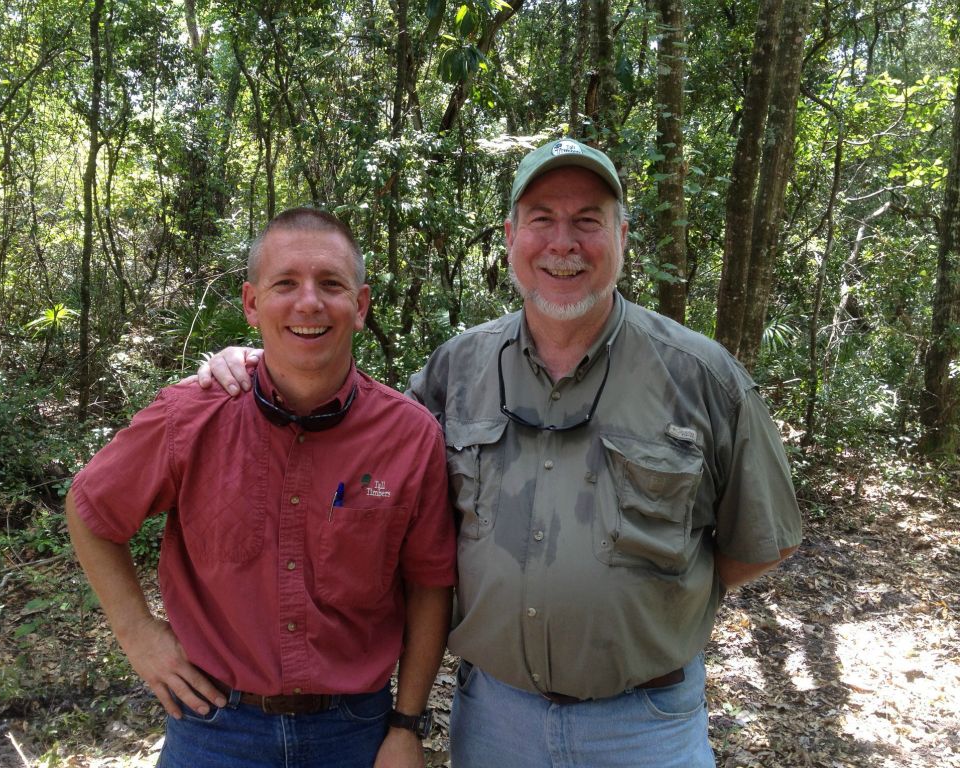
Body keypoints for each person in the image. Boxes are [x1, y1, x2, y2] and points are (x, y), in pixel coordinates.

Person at [199, 139, 802, 767]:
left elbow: (760, 541)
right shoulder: (456, 369)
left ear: (622, 235)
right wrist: (266, 365)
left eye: (587, 221)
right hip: (493, 720)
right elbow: (351, 437)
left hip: (644, 725)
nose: (562, 242)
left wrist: (653, 604)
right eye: (541, 219)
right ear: (511, 236)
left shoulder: (702, 376)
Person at [67, 207, 456, 768]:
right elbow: (90, 509)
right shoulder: (191, 416)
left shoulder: (409, 436)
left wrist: (407, 725)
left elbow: (429, 584)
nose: (308, 303)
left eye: (330, 284)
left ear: (361, 306)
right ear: (252, 304)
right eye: (285, 284)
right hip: (214, 729)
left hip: (356, 731)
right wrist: (138, 635)